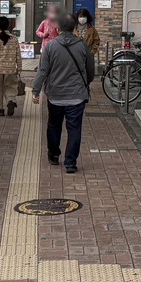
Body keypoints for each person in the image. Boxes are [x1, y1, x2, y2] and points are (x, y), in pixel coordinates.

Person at [31, 12, 95, 173]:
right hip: (76, 96)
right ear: (74, 27)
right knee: (74, 129)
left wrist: (36, 90)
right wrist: (84, 84)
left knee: (53, 126)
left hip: (55, 96)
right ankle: (70, 162)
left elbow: (43, 70)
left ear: (57, 27)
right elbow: (90, 70)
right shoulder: (82, 46)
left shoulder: (51, 46)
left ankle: (53, 155)